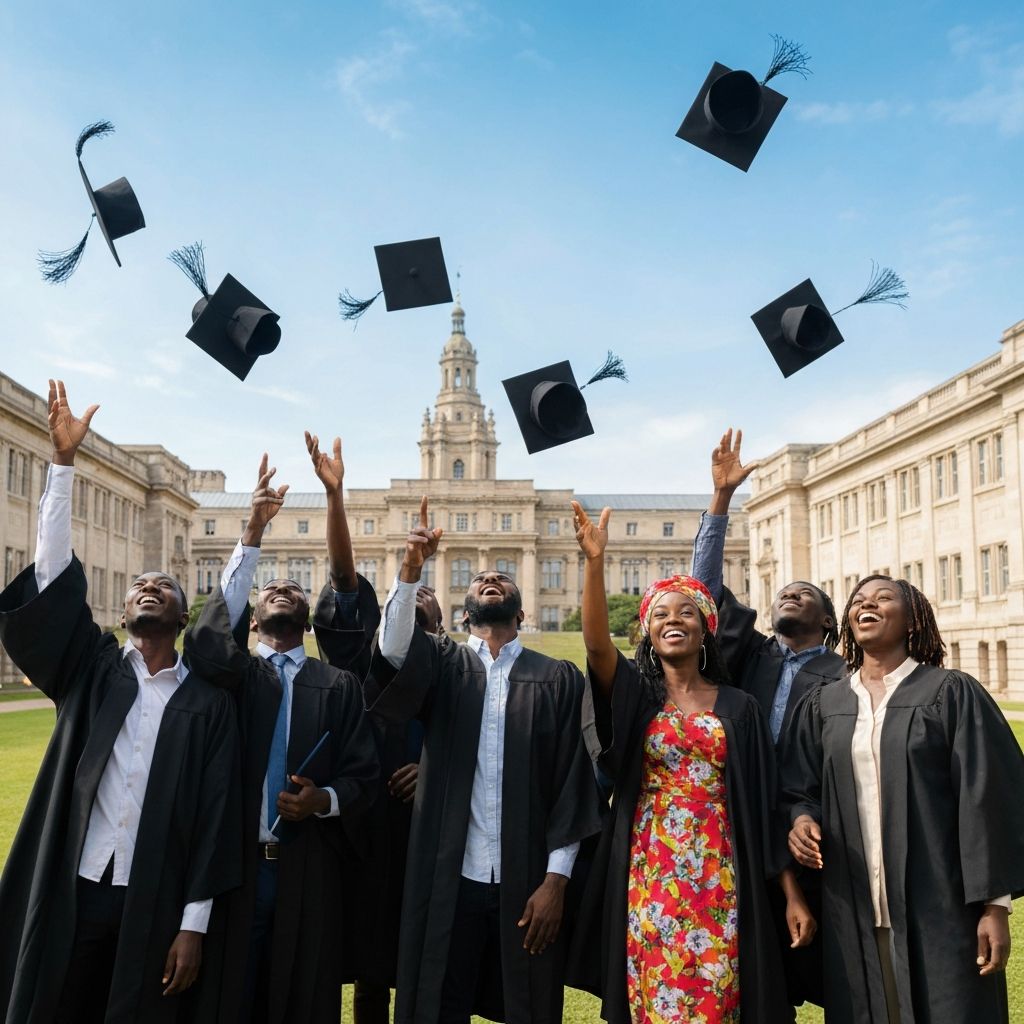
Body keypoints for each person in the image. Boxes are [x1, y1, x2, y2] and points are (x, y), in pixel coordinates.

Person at [0, 380, 241, 1024]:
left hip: (154, 900)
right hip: (76, 887)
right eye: (137, 585)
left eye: (162, 584)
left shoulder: (208, 705)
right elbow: (52, 582)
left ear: (185, 613)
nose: (147, 587)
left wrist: (194, 925)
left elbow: (217, 819)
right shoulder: (95, 671)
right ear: (126, 610)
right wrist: (62, 467)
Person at [363, 496, 603, 1024]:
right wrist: (410, 570)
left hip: (527, 880)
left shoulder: (558, 677)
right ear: (464, 612)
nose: (489, 577)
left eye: (502, 579)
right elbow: (393, 649)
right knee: (436, 1001)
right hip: (449, 874)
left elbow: (572, 779)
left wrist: (556, 881)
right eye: (479, 581)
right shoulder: (442, 663)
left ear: (522, 611)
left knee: (528, 1003)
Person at [566, 500, 808, 1024]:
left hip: (723, 864)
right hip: (651, 865)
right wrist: (594, 563)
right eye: (660, 614)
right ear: (648, 633)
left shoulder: (740, 708)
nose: (672, 620)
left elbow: (765, 806)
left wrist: (791, 894)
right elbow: (596, 645)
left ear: (706, 629)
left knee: (720, 988)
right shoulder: (636, 696)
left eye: (686, 613)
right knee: (654, 987)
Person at [184, 447, 379, 1024]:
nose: (284, 589)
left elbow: (363, 774)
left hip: (307, 869)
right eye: (270, 589)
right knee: (230, 996)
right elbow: (210, 635)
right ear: (251, 614)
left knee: (302, 998)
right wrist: (252, 530)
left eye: (296, 588)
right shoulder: (233, 677)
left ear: (311, 615)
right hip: (237, 865)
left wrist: (324, 800)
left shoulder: (337, 684)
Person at [783, 574, 1024, 1023]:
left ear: (913, 620)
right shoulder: (824, 703)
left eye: (883, 598)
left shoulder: (949, 693)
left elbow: (987, 798)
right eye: (859, 600)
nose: (866, 605)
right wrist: (800, 820)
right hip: (851, 907)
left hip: (941, 909)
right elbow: (798, 787)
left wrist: (995, 906)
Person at [689, 428, 845, 1012]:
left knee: (825, 966)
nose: (789, 595)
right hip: (742, 817)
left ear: (829, 621)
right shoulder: (748, 654)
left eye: (805, 593)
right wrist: (721, 502)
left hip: (818, 832)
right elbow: (702, 594)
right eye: (784, 591)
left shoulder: (845, 677)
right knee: (751, 967)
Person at [301, 433, 426, 1024]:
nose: (418, 598)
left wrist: (433, 768)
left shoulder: (460, 671)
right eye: (408, 596)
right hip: (363, 822)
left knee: (428, 962)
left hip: (434, 828)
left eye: (425, 598)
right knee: (369, 965)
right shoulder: (364, 665)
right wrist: (336, 497)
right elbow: (347, 581)